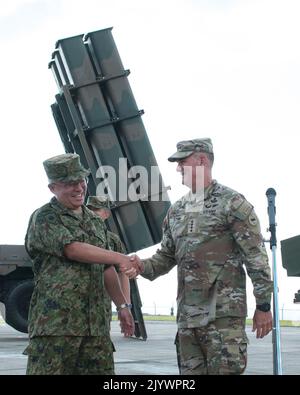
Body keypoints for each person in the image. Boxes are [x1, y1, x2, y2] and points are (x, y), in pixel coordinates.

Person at [131, 138, 273, 375]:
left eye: (182, 162)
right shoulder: (176, 210)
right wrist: (140, 266)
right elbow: (166, 256)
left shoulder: (232, 203)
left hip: (222, 319)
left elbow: (256, 257)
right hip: (188, 321)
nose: (178, 169)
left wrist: (264, 305)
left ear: (201, 160)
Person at [23, 153, 136, 375]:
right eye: (68, 184)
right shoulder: (45, 217)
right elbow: (72, 249)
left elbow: (105, 268)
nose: (78, 188)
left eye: (80, 181)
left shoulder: (94, 221)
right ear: (53, 188)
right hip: (57, 326)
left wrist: (123, 306)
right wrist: (119, 257)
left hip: (96, 328)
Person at [86, 195, 131, 333]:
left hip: (100, 308)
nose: (91, 214)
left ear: (106, 214)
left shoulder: (113, 240)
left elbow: (122, 273)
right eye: (89, 210)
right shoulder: (78, 235)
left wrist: (125, 306)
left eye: (96, 210)